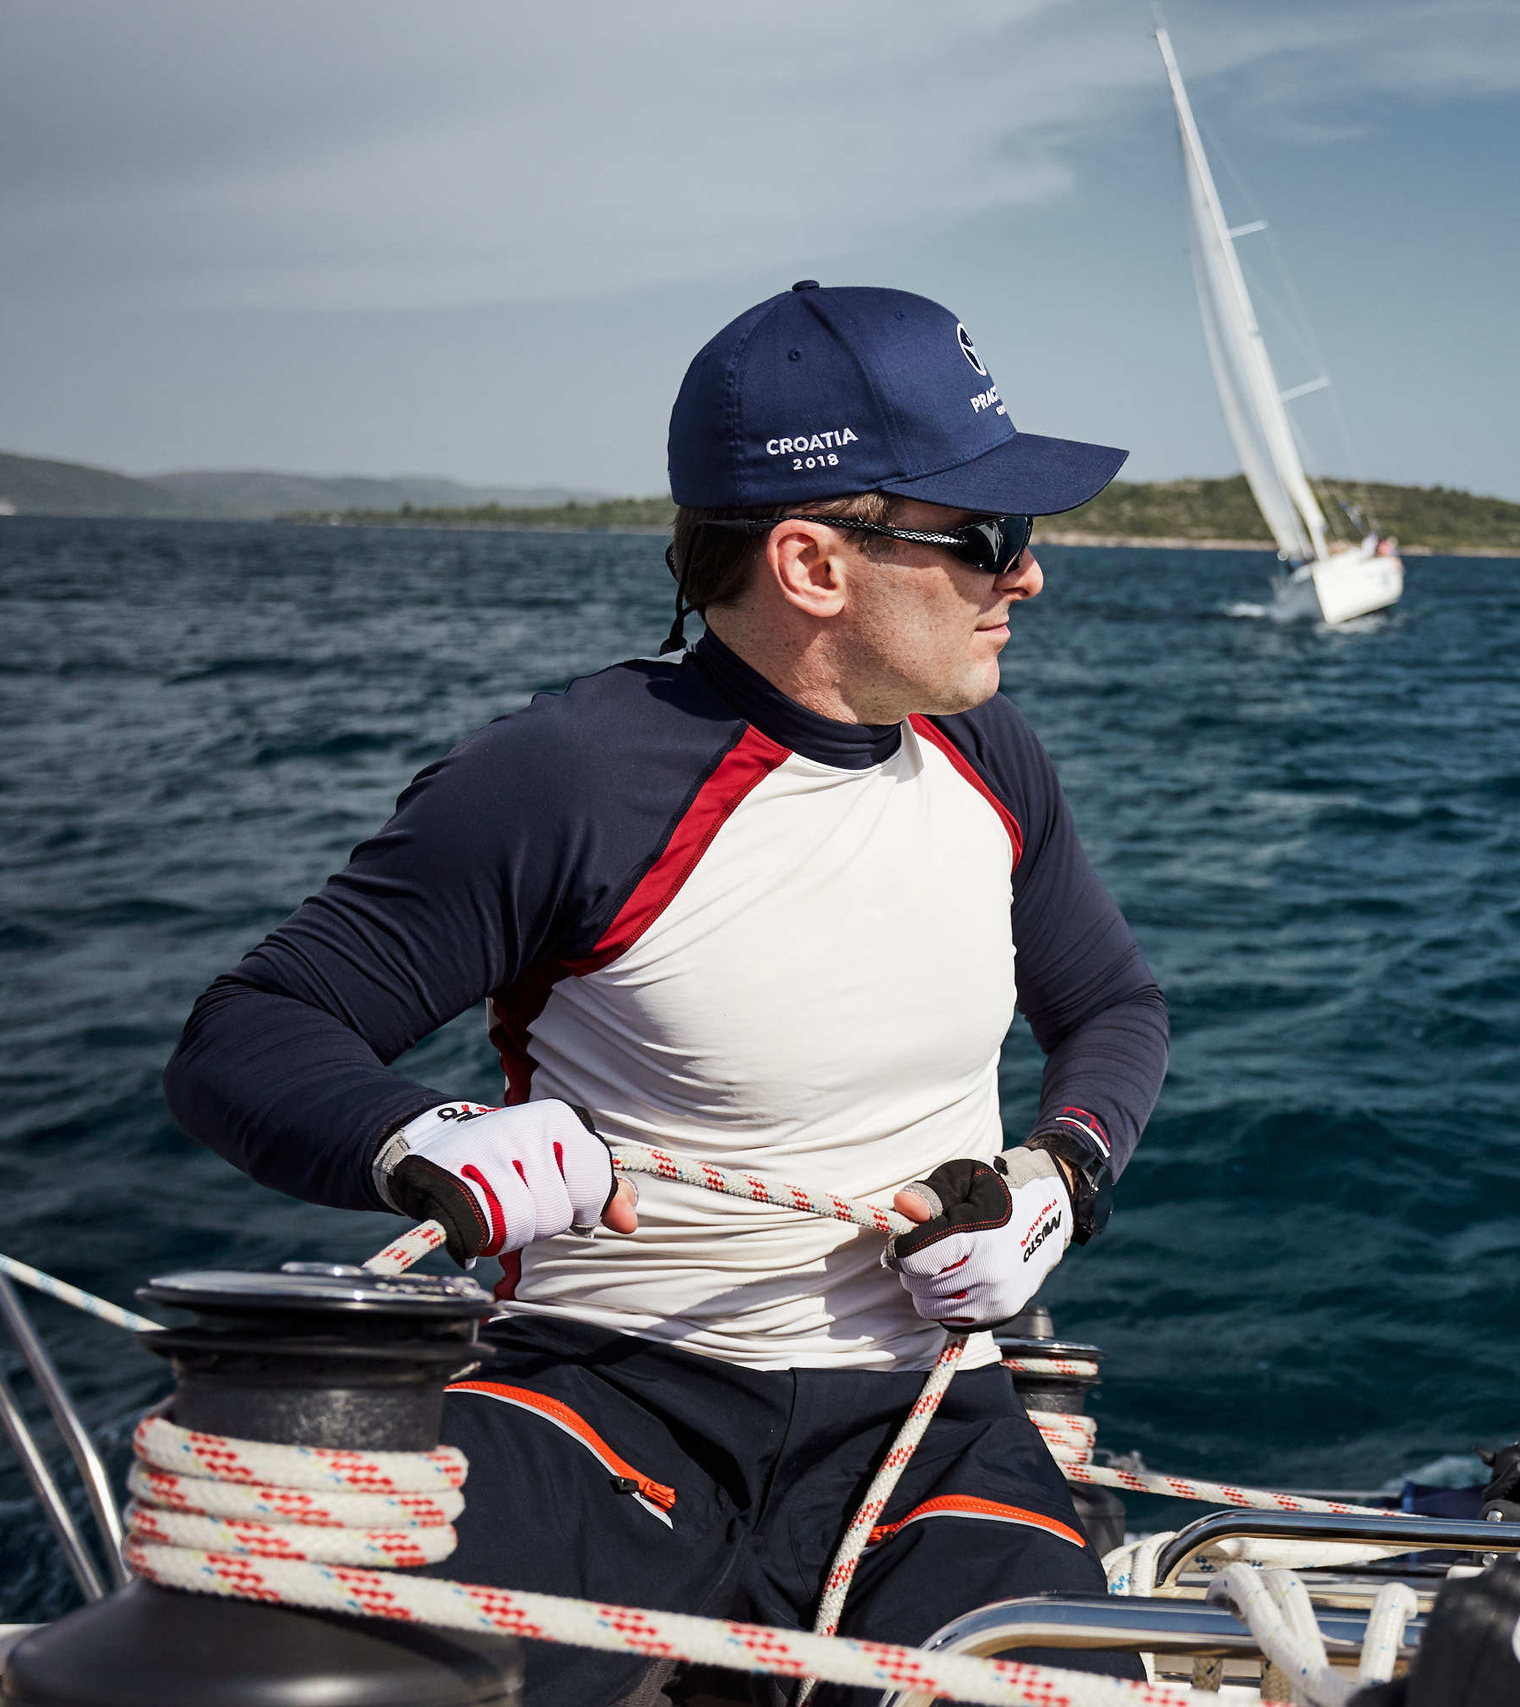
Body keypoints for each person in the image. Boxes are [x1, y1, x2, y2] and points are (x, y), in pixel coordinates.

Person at [162, 280, 1168, 1707]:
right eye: (987, 537)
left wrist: (1062, 1178)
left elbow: (1115, 1010)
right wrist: (426, 1135)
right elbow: (247, 1036)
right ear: (814, 564)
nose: (1029, 575)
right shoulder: (567, 781)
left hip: (927, 1425)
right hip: (607, 1393)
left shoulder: (990, 761)